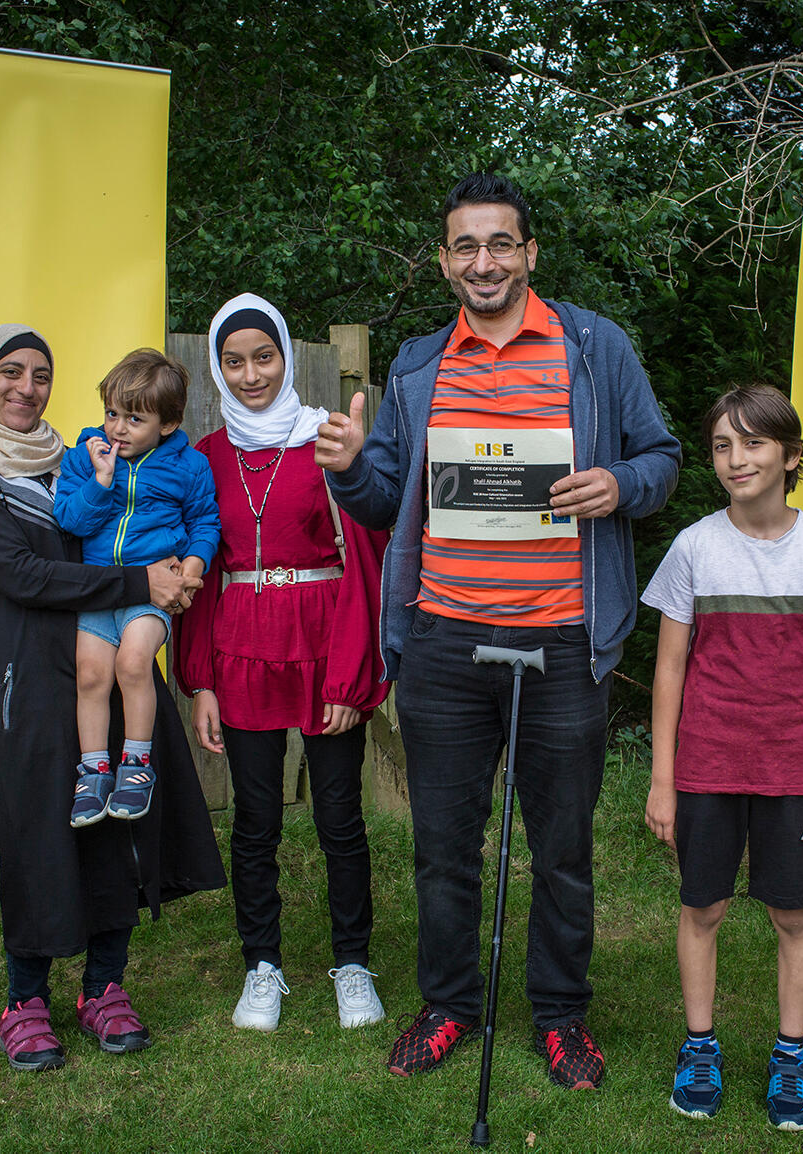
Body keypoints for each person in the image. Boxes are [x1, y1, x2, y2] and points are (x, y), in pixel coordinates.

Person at [315, 174, 682, 1089]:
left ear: (529, 253)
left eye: (500, 244)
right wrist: (354, 467)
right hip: (441, 643)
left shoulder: (595, 348)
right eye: (465, 247)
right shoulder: (415, 367)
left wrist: (619, 487)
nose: (484, 262)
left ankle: (560, 1017)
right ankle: (448, 1008)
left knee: (561, 847)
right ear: (444, 261)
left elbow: (663, 458)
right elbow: (381, 504)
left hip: (562, 645)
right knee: (443, 844)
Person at [0, 323, 226, 1073]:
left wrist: (176, 577)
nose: (26, 388)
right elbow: (24, 576)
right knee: (37, 833)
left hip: (117, 668)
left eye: (40, 375)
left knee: (115, 830)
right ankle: (24, 999)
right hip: (30, 680)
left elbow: (158, 537)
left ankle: (103, 987)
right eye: (10, 373)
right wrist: (144, 582)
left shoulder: (86, 457)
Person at [640, 385, 803, 1130]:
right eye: (719, 445)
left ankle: (789, 1057)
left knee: (792, 914)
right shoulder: (694, 547)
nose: (734, 458)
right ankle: (699, 1047)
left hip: (793, 773)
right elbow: (670, 668)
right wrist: (662, 779)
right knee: (701, 906)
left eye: (751, 443)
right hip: (705, 766)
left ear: (790, 456)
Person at [173, 293, 391, 1033]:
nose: (250, 374)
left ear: (286, 358)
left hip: (323, 646)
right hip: (241, 651)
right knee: (256, 820)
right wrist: (198, 679)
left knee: (339, 818)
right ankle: (261, 966)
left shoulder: (327, 443)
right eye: (233, 362)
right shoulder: (203, 457)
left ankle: (352, 965)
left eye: (262, 357)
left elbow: (365, 566)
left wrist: (350, 678)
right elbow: (199, 575)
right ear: (216, 367)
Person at [54, 350, 220, 828]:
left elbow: (205, 522)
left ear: (167, 424)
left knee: (132, 663)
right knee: (89, 674)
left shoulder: (187, 467)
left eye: (134, 419)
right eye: (112, 413)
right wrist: (101, 483)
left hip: (150, 595)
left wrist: (191, 565)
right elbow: (70, 519)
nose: (118, 429)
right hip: (101, 593)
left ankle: (137, 764)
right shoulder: (87, 457)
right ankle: (93, 771)